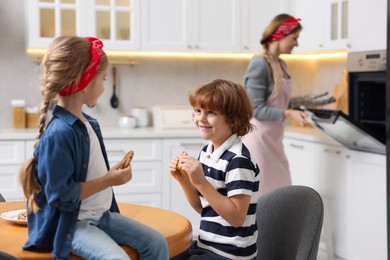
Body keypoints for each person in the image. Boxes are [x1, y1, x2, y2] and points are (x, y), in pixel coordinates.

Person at [19, 36, 169, 260]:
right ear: (85, 82)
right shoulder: (60, 134)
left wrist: (109, 175)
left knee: (157, 244)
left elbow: (90, 171)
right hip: (73, 224)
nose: (104, 86)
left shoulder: (88, 124)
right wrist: (109, 180)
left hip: (101, 216)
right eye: (103, 79)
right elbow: (60, 195)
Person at [170, 79, 260, 260]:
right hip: (207, 245)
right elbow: (203, 208)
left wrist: (201, 182)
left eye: (211, 112)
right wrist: (184, 180)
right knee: (161, 254)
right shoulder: (207, 152)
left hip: (231, 254)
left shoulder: (238, 160)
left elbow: (236, 218)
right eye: (197, 111)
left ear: (233, 118)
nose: (200, 119)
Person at [242, 14, 309, 196]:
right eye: (294, 38)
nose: (296, 44)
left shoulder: (281, 64)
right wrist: (288, 114)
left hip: (274, 140)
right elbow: (255, 108)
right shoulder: (259, 64)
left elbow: (278, 101)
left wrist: (295, 111)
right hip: (258, 141)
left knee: (281, 193)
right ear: (280, 36)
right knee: (264, 196)